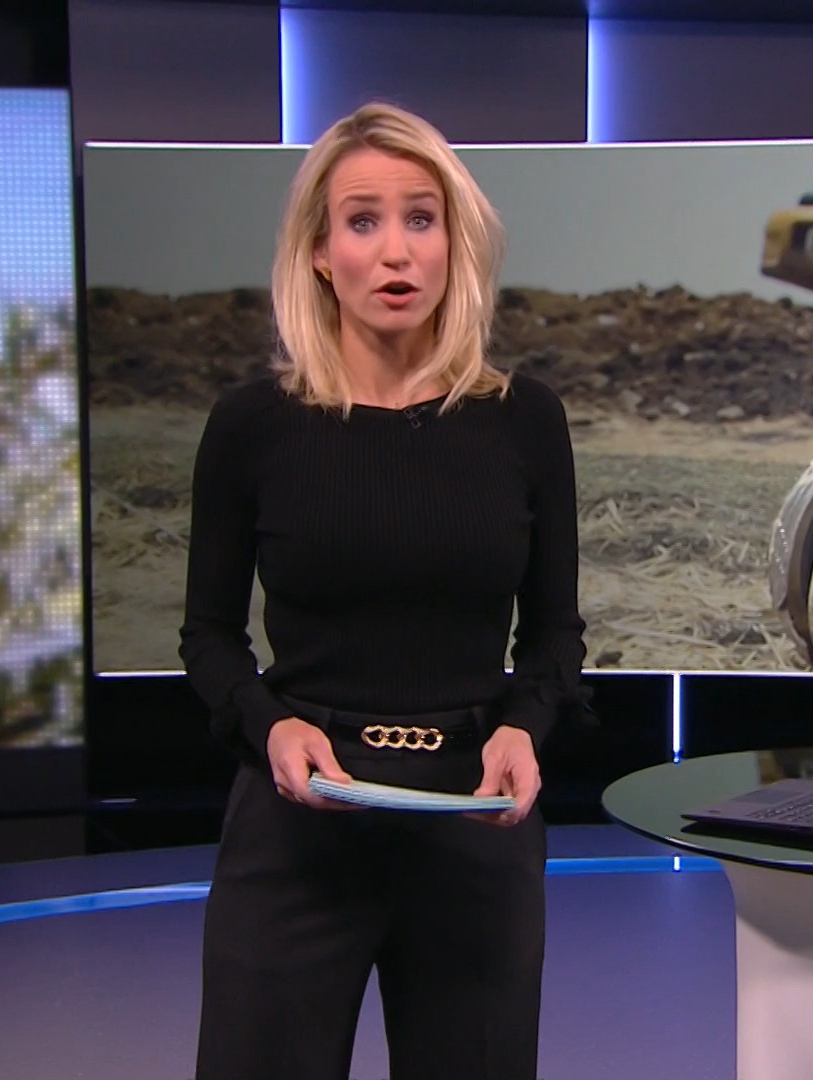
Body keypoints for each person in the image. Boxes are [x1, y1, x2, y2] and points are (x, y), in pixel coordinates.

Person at [178, 101, 587, 1080]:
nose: (395, 251)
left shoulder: (524, 421)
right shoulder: (253, 425)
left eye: (421, 218)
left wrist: (525, 730)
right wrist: (269, 727)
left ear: (455, 242)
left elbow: (554, 637)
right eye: (362, 221)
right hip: (297, 827)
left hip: (473, 821)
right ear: (320, 252)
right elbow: (209, 635)